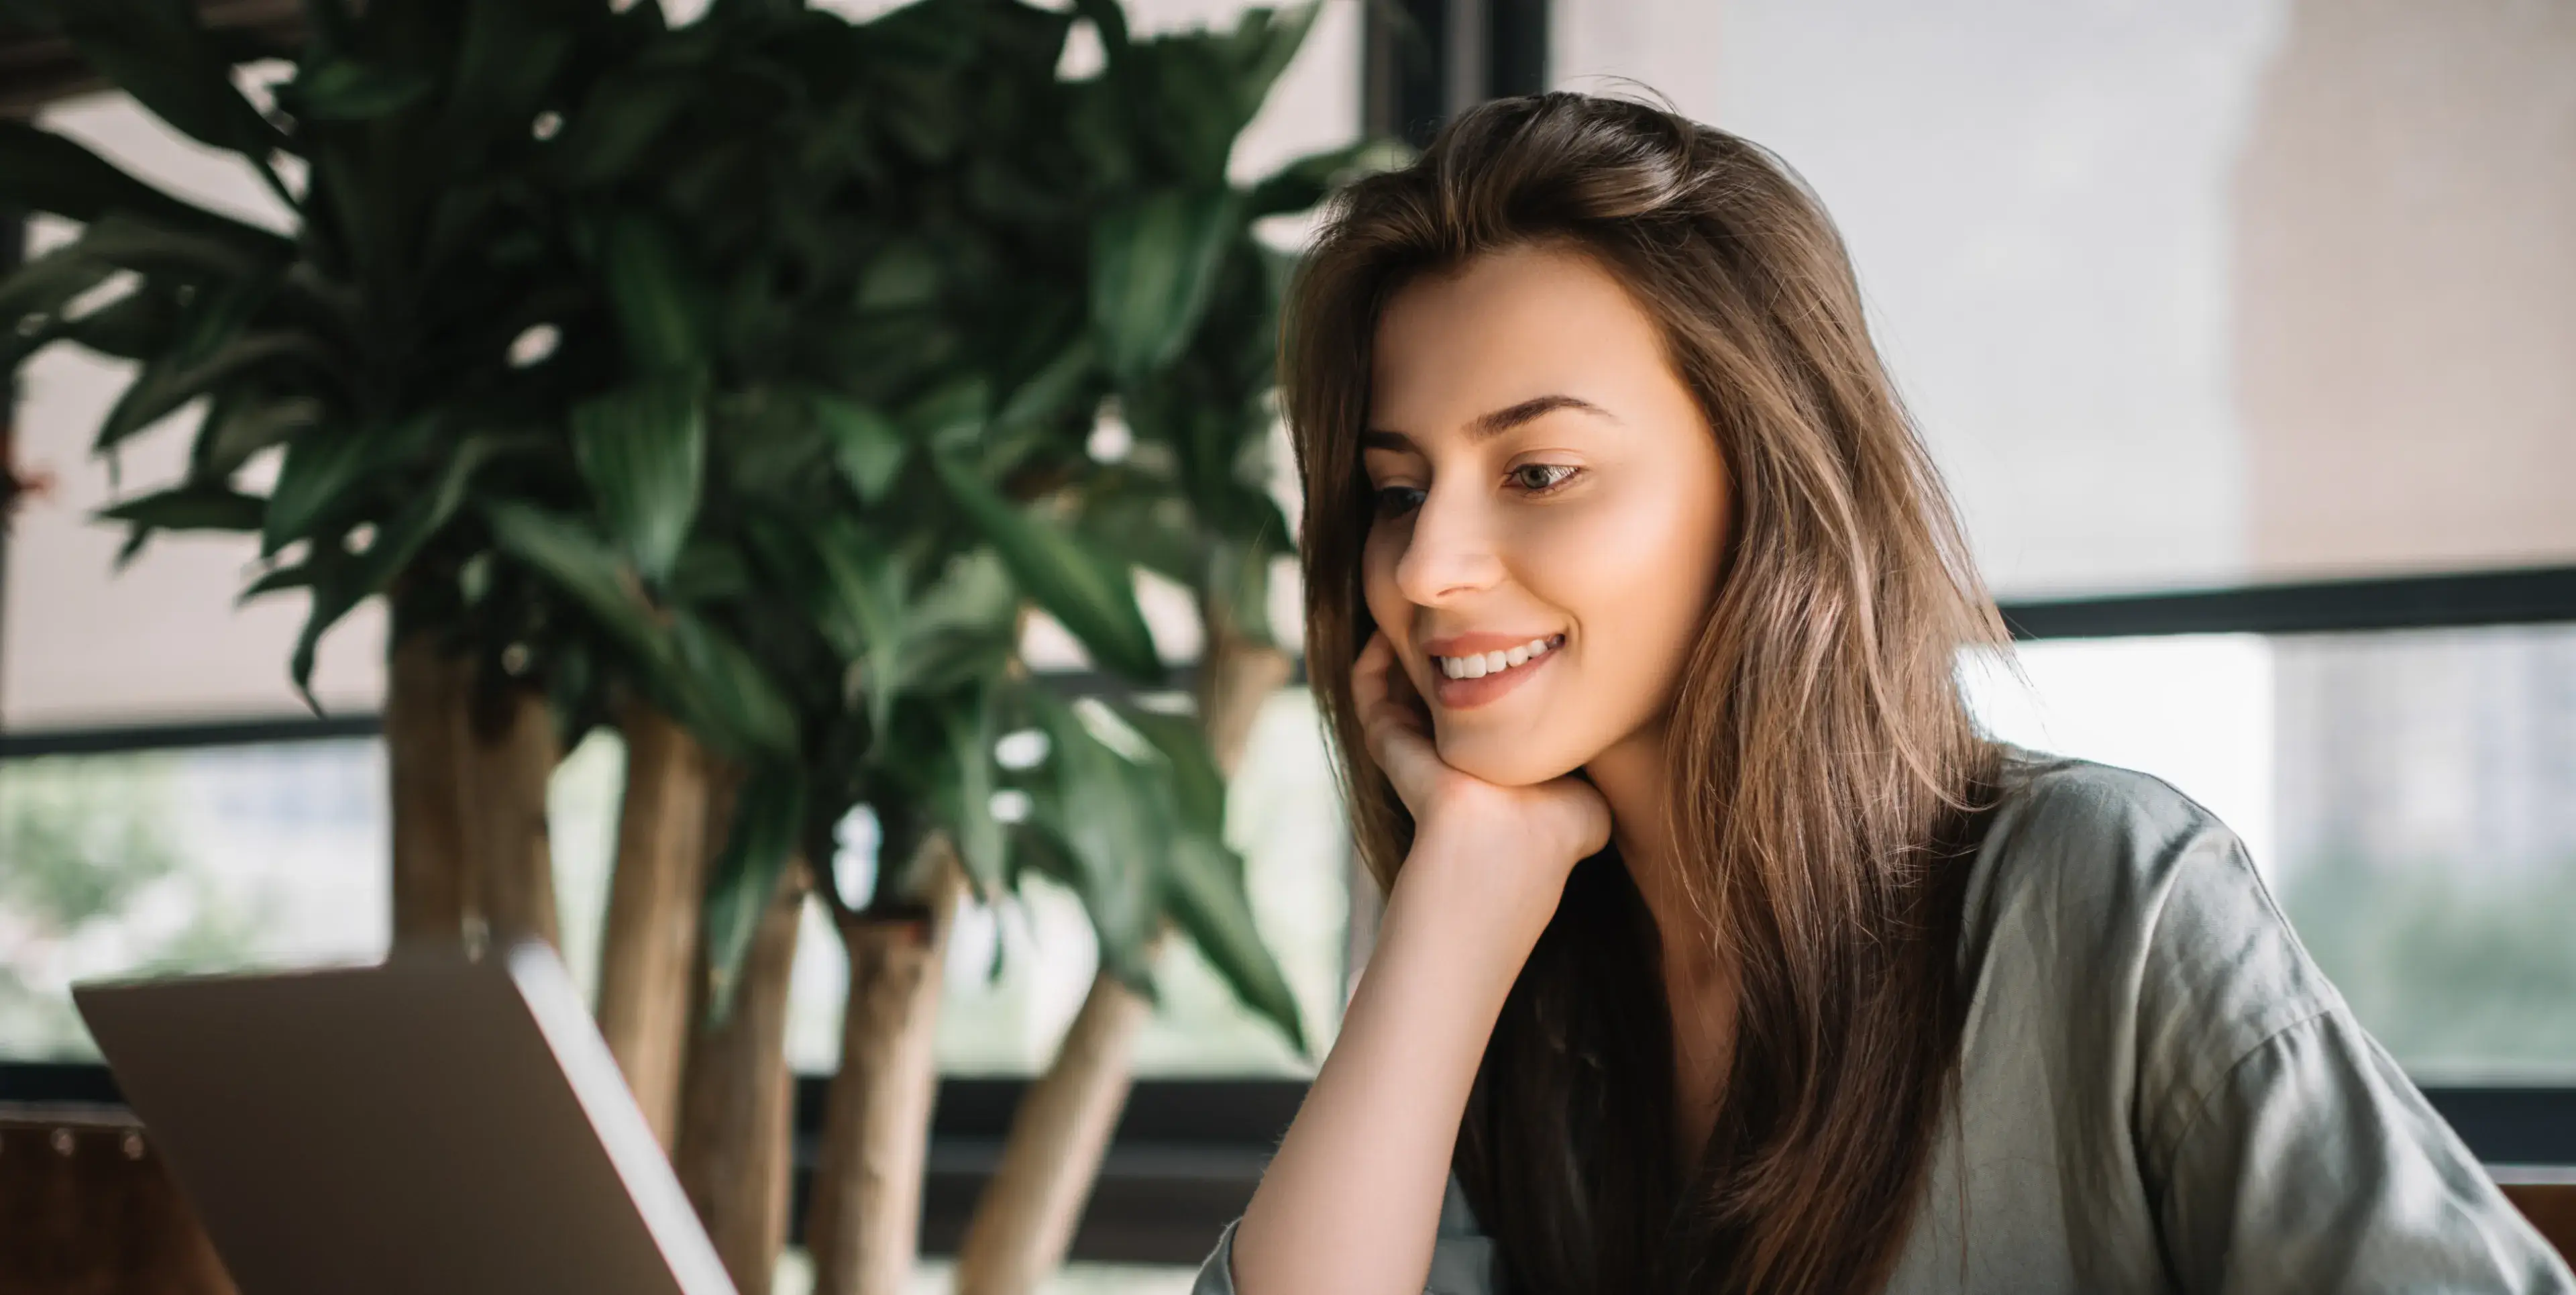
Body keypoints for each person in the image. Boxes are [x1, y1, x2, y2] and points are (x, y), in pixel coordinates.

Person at [1191, 92, 2575, 1295]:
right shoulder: (1515, 983)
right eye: (1393, 490)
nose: (1425, 567)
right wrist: (1457, 904)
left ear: (1767, 481)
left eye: (1539, 471)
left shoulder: (2112, 899)